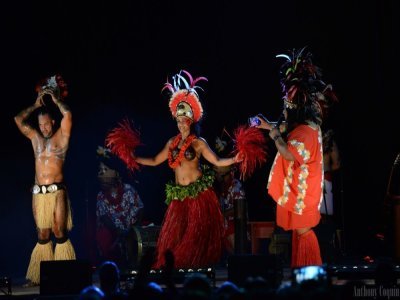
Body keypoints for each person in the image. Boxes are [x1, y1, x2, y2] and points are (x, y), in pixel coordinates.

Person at [106, 70, 242, 269]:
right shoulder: (172, 143)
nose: (181, 125)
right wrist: (133, 157)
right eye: (178, 121)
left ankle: (194, 267)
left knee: (193, 237)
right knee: (176, 237)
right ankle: (177, 268)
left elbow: (218, 161)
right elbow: (154, 160)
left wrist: (235, 159)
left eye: (184, 121)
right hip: (179, 198)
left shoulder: (198, 144)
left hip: (198, 196)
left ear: (192, 121)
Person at [254, 48, 338, 267]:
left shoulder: (305, 132)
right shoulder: (305, 125)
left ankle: (310, 271)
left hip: (303, 193)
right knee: (301, 233)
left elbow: (289, 154)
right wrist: (266, 125)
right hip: (303, 190)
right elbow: (284, 127)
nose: (286, 112)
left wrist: (274, 137)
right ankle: (302, 269)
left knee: (304, 232)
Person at [14, 75, 76, 286]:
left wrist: (56, 99)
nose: (44, 129)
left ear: (52, 122)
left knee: (59, 231)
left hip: (57, 190)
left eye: (47, 125)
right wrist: (34, 105)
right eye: (40, 125)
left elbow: (68, 114)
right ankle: (39, 277)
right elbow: (18, 120)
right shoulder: (35, 139)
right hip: (39, 192)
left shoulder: (62, 137)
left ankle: (65, 274)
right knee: (42, 234)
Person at [96, 146, 144, 269]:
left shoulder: (128, 189)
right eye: (100, 170)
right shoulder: (101, 196)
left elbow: (139, 210)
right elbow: (104, 218)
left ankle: (134, 268)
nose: (101, 172)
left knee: (133, 241)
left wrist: (133, 231)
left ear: (116, 173)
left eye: (105, 169)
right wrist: (119, 233)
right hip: (114, 233)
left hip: (132, 229)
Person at [213, 137, 247, 255]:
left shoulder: (235, 185)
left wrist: (221, 215)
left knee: (236, 253)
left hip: (235, 225)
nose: (215, 167)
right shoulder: (220, 186)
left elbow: (240, 208)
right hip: (224, 225)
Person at [321, 129, 341, 218]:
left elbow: (337, 165)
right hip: (320, 181)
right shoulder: (328, 142)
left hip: (315, 181)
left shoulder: (307, 137)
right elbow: (336, 164)